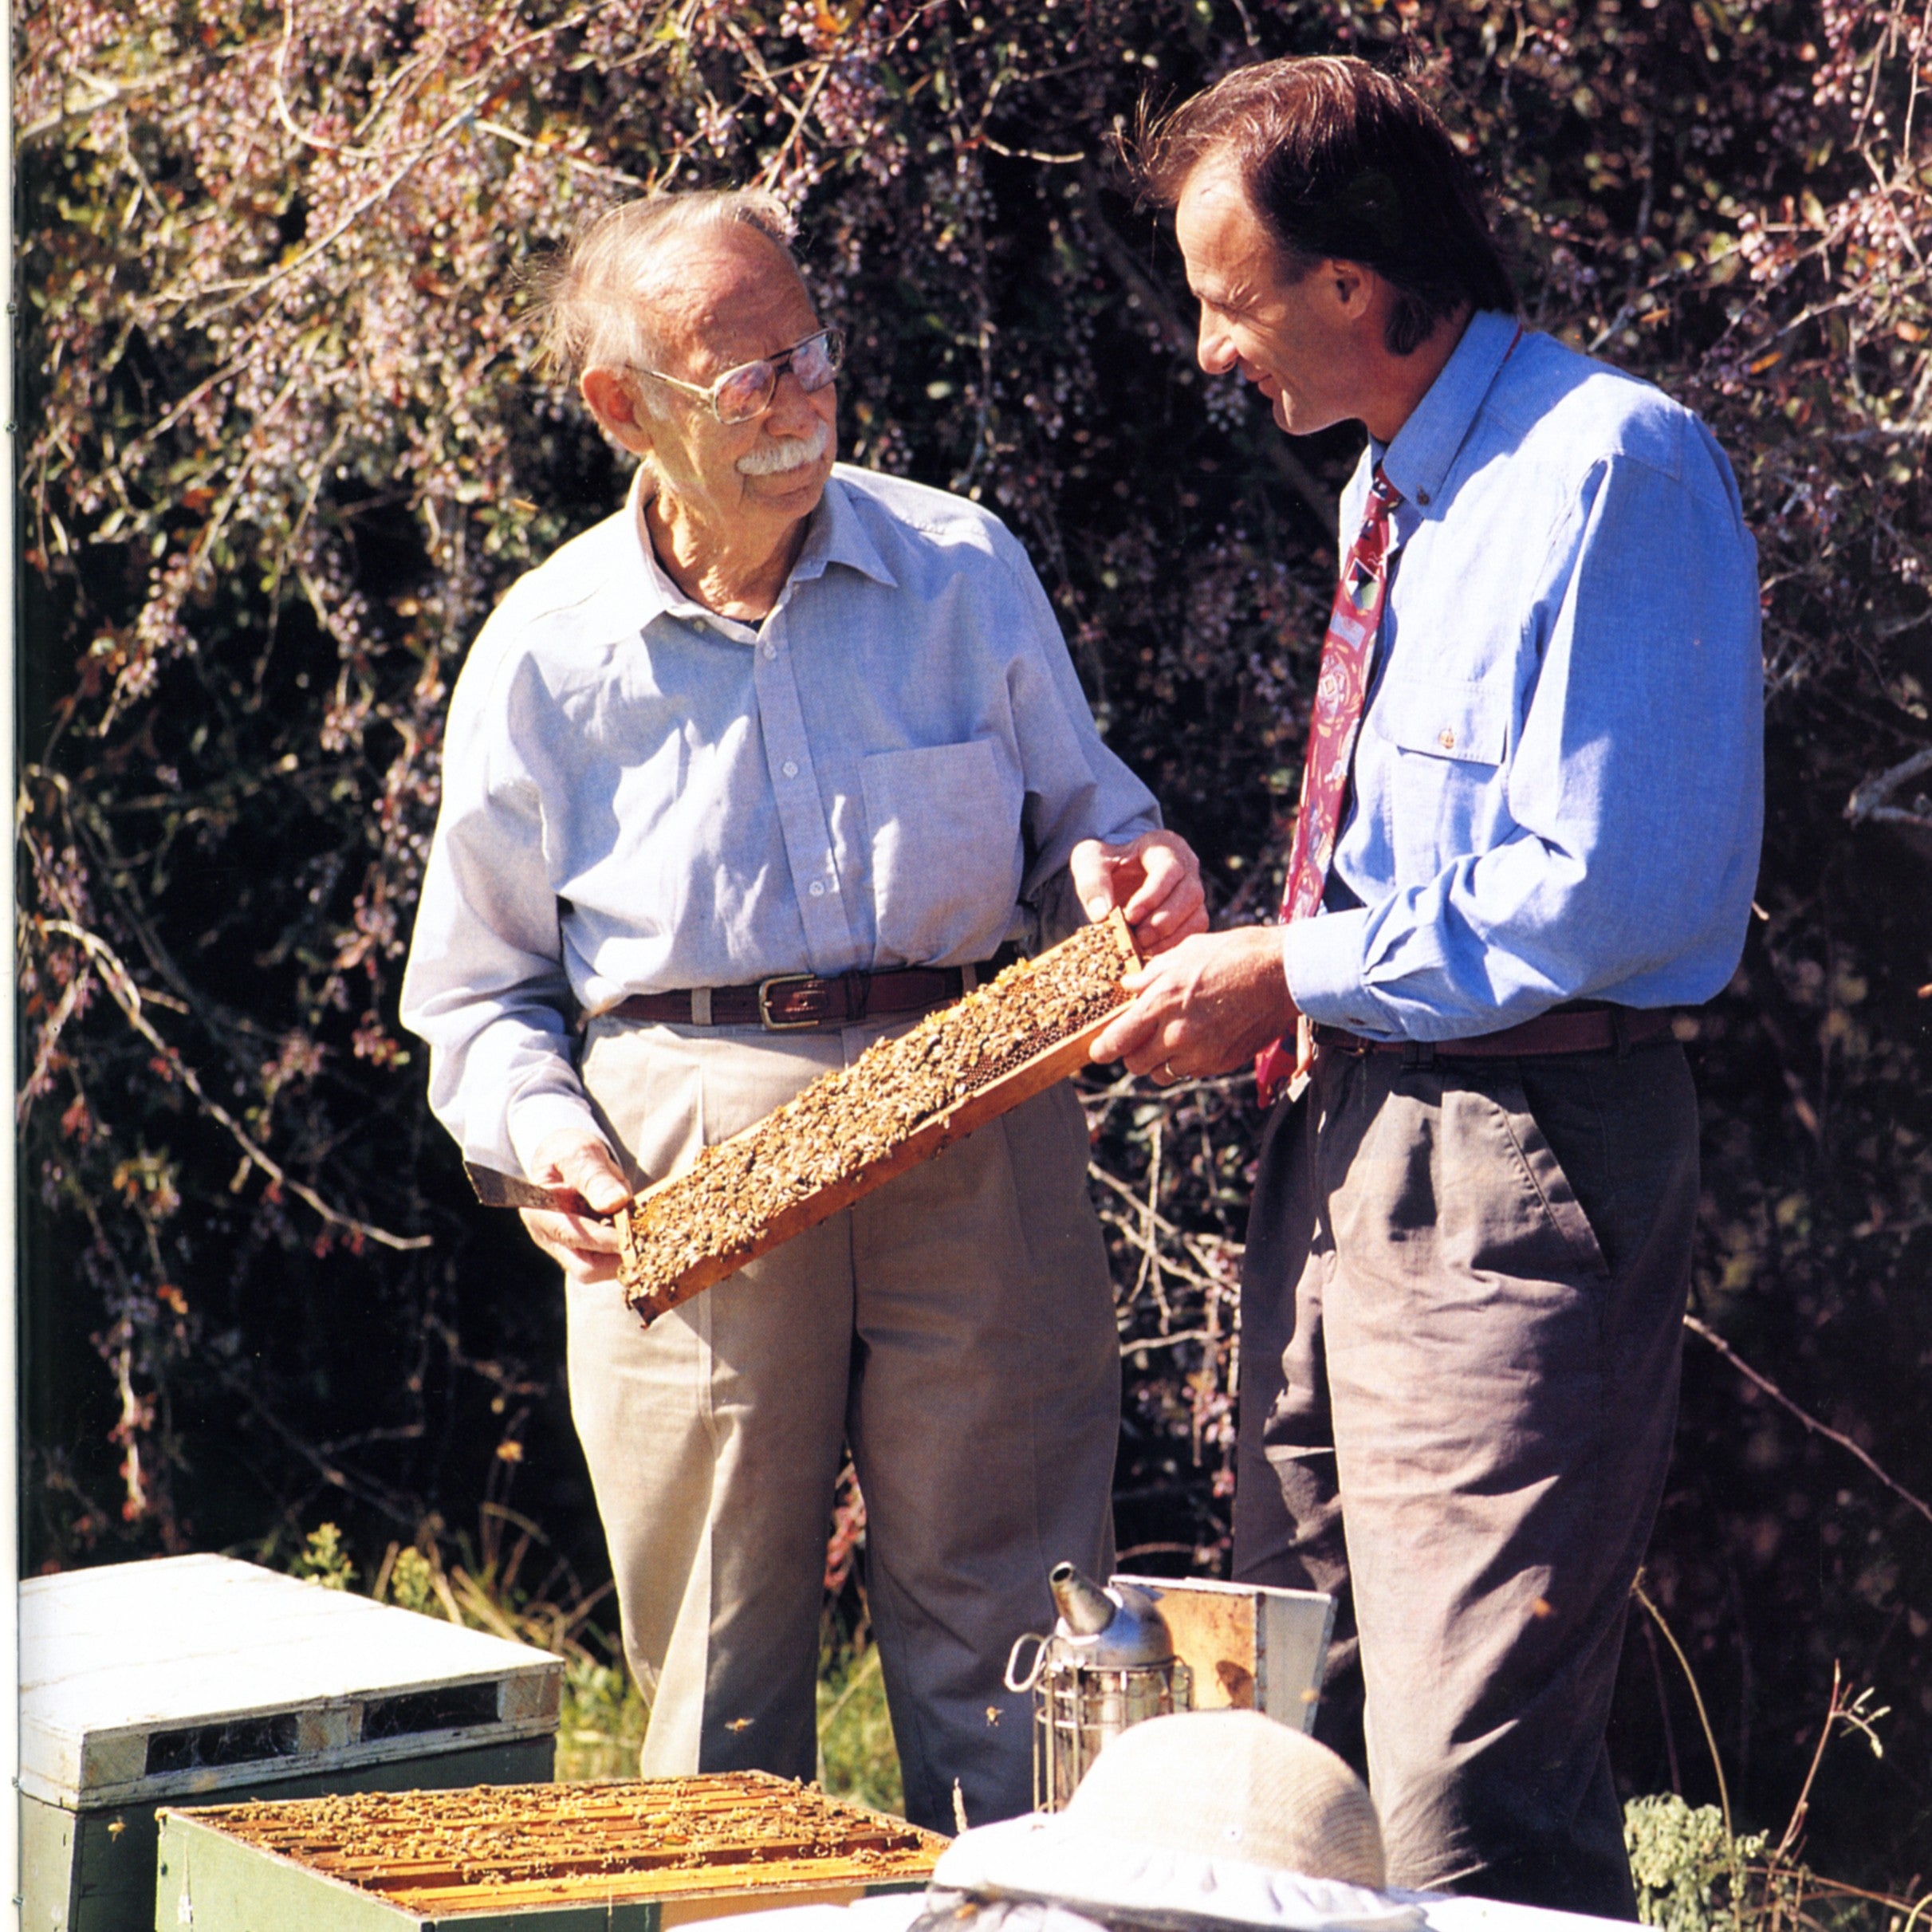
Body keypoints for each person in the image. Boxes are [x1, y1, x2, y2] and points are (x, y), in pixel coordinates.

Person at [399, 187, 1206, 1835]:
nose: (802, 404)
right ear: (624, 409)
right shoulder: (546, 653)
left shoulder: (962, 568)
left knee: (1027, 1641)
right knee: (715, 1676)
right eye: (745, 378)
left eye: (812, 358)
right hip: (683, 1162)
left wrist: (1141, 868)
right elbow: (476, 996)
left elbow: (1089, 831)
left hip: (977, 1118)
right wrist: (553, 1146)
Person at [1089, 57, 1762, 1915]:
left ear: (1352, 290)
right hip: (1352, 1131)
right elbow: (1414, 876)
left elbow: (1606, 889)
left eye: (1230, 304)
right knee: (1291, 1723)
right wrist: (1253, 944)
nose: (1214, 355)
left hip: (1523, 1152)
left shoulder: (1607, 467)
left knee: (1472, 1779)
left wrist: (1288, 963)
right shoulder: (1391, 485)